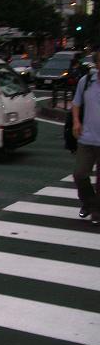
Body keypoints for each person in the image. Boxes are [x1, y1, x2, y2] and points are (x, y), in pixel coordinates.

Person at [72, 51, 100, 225]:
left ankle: (96, 211)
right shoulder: (87, 81)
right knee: (80, 174)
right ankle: (89, 204)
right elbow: (76, 103)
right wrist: (76, 121)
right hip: (87, 138)